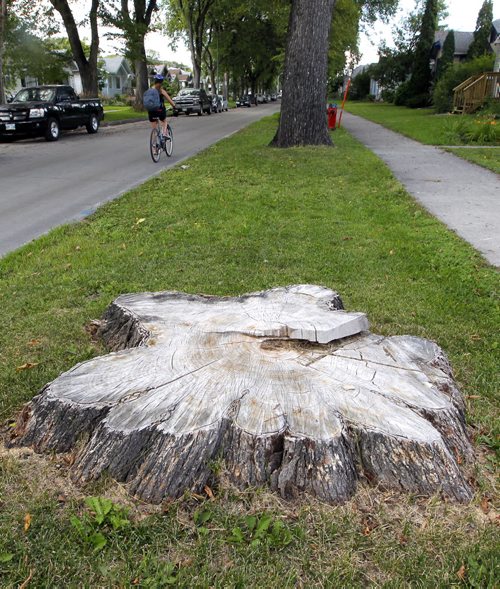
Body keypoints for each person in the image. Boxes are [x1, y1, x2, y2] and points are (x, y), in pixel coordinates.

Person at [148, 74, 176, 142]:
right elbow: (170, 101)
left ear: (155, 81)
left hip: (151, 111)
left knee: (154, 131)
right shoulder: (162, 91)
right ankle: (164, 133)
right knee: (164, 121)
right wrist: (174, 106)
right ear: (161, 82)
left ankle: (154, 149)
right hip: (160, 110)